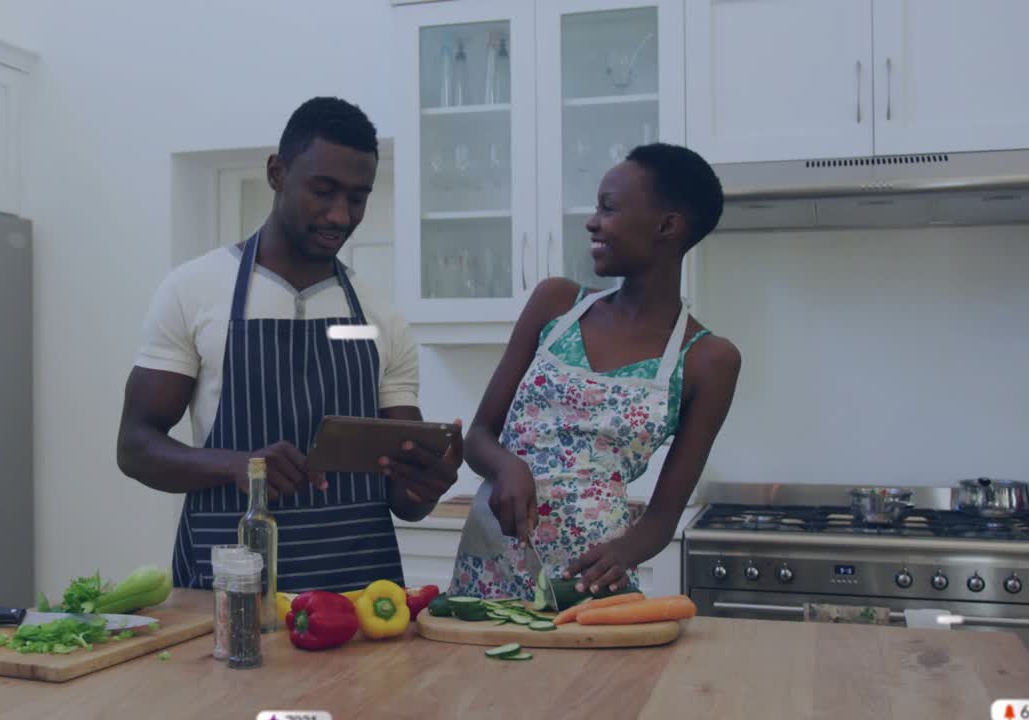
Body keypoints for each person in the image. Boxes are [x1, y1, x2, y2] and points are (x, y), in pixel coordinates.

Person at [117, 96, 462, 593]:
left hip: (358, 597)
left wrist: (428, 483)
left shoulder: (380, 316)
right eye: (323, 191)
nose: (340, 215)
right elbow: (135, 446)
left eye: (357, 198)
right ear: (277, 173)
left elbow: (405, 500)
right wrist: (238, 466)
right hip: (231, 587)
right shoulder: (193, 291)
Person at [449, 143, 741, 600]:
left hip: (588, 582)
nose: (592, 222)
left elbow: (662, 518)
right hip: (490, 566)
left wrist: (621, 555)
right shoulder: (556, 304)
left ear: (667, 226)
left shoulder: (708, 359)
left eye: (609, 208)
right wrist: (508, 466)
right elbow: (479, 437)